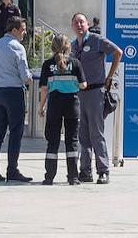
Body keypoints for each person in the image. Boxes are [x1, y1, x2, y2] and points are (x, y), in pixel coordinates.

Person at [70, 11, 122, 184]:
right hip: (79, 93)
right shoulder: (72, 46)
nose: (79, 25)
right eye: (76, 23)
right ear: (72, 26)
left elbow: (117, 52)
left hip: (95, 92)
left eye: (82, 22)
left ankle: (103, 170)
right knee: (82, 135)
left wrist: (110, 76)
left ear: (87, 25)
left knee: (96, 133)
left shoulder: (96, 40)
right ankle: (85, 171)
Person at [0, 16, 34, 182]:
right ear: (14, 30)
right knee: (15, 132)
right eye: (22, 29)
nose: (25, 32)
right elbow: (24, 75)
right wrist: (30, 79)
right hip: (13, 92)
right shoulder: (17, 47)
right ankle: (12, 169)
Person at [38, 33, 87, 185]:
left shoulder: (47, 64)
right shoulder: (75, 62)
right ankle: (73, 177)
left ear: (53, 46)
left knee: (52, 141)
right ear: (68, 46)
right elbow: (83, 85)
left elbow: (45, 88)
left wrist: (42, 106)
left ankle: (49, 177)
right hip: (72, 105)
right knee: (71, 142)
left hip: (55, 105)